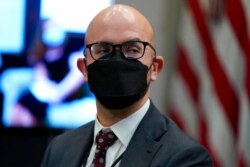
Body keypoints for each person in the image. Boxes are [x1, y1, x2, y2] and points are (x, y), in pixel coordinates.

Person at [41, 4, 213, 167]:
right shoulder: (59, 149)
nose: (117, 60)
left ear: (154, 68)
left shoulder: (185, 157)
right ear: (84, 69)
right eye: (103, 50)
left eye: (132, 50)